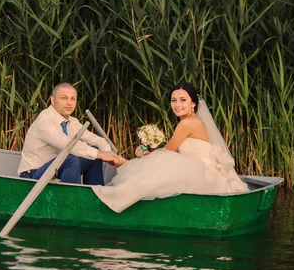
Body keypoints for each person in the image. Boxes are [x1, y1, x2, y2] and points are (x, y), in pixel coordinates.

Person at [92, 82, 249, 212]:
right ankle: (125, 167)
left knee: (154, 174)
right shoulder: (194, 121)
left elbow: (167, 152)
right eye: (174, 100)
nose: (177, 105)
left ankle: (117, 190)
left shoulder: (187, 123)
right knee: (160, 168)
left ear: (193, 103)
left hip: (201, 173)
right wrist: (146, 154)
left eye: (183, 100)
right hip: (201, 170)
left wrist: (134, 160)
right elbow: (171, 153)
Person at [17, 82, 121, 185]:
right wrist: (101, 155)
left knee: (94, 156)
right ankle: (72, 199)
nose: (69, 103)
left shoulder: (73, 122)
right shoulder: (44, 120)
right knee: (71, 158)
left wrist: (109, 156)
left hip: (56, 170)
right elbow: (69, 146)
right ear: (53, 100)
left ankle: (95, 197)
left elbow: (98, 140)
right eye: (64, 98)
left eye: (73, 99)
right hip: (33, 175)